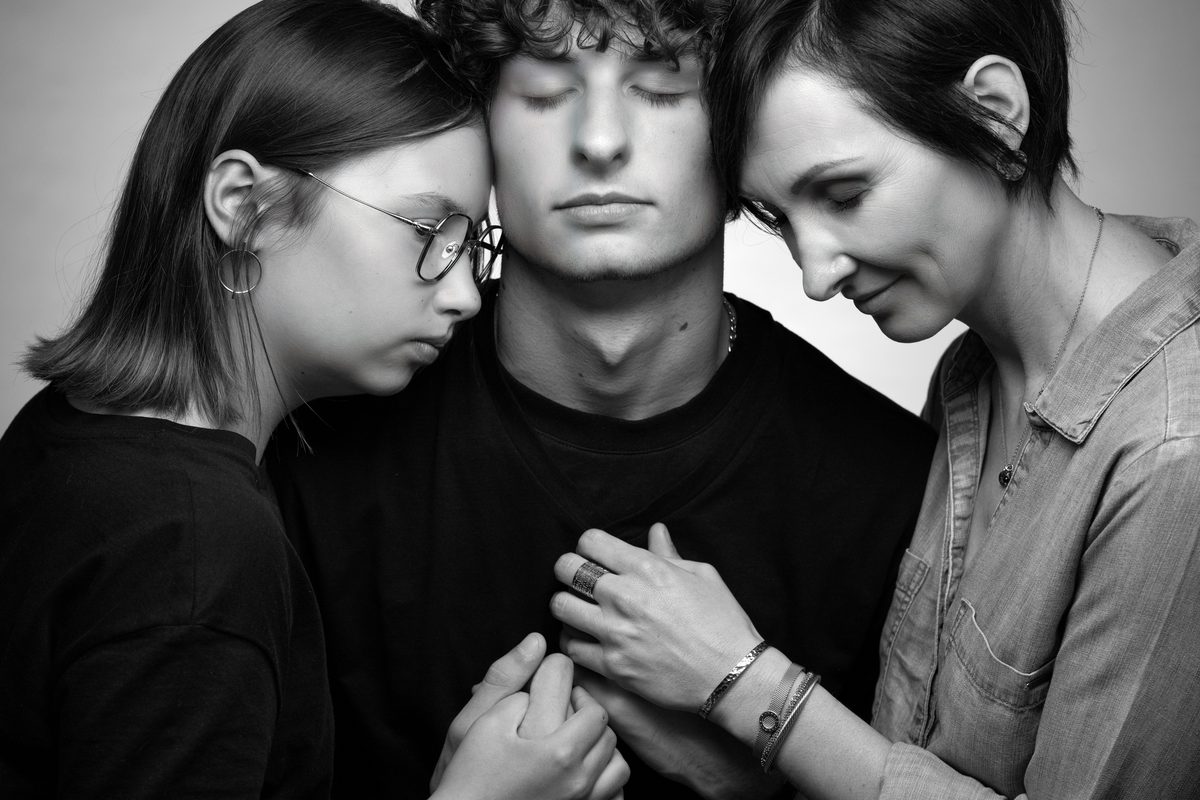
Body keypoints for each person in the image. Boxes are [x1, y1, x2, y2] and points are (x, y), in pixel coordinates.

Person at [266, 0, 936, 797]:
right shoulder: (309, 448)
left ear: (739, 127)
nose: (600, 142)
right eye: (547, 94)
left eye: (659, 91)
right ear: (477, 134)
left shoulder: (898, 487)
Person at [549, 0, 1200, 797]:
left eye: (845, 194)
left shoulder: (1174, 449)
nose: (816, 274)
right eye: (780, 219)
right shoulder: (975, 374)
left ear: (995, 118)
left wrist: (743, 681)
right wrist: (741, 773)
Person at [0, 2, 628, 798]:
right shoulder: (193, 549)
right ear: (243, 205)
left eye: (471, 244)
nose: (468, 293)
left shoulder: (70, 434)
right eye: (427, 230)